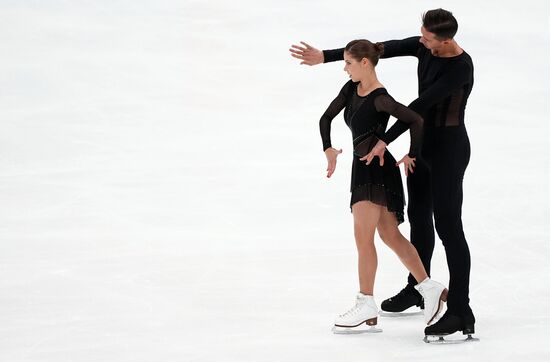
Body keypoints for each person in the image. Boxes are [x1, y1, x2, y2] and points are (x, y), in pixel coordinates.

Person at [290, 8, 475, 338]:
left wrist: (381, 141)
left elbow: (418, 107)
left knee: (448, 226)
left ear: (446, 40)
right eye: (421, 34)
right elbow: (377, 49)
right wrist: (326, 57)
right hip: (421, 149)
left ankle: (461, 309)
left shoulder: (460, 67)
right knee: (417, 220)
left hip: (449, 149)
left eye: (428, 38)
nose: (421, 40)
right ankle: (419, 287)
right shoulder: (423, 45)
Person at [319, 39, 446, 334]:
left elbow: (415, 118)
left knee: (363, 237)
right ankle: (429, 288)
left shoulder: (380, 97)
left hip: (375, 170)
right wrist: (327, 148)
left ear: (365, 63)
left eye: (349, 63)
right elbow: (326, 117)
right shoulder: (351, 89)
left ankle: (366, 304)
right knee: (390, 234)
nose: (345, 68)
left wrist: (413, 152)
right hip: (363, 167)